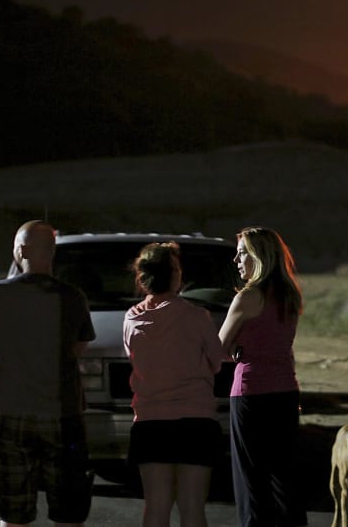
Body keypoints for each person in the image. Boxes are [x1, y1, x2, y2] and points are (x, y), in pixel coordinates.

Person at [0, 220, 95, 527]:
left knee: (14, 510)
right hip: (63, 412)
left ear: (21, 250)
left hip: (11, 412)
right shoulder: (72, 297)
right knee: (69, 510)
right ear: (52, 252)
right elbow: (79, 346)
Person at [123, 242, 226, 527]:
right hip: (195, 421)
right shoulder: (196, 316)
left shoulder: (131, 318)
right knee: (192, 507)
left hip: (150, 422)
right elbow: (217, 362)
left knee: (155, 507)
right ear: (175, 274)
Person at [218, 226, 307, 527]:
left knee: (252, 480)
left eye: (242, 253)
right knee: (285, 478)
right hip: (285, 391)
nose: (236, 260)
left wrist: (236, 352)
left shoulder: (247, 297)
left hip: (251, 392)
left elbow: (219, 348)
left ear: (259, 257)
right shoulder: (290, 295)